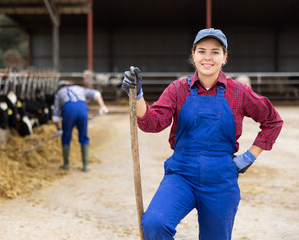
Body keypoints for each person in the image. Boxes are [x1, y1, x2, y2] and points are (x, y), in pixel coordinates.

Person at [121, 28, 283, 240]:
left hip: (221, 179)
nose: (208, 57)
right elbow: (153, 123)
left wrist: (249, 157)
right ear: (193, 55)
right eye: (201, 51)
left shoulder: (239, 91)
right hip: (182, 174)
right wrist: (138, 95)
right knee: (154, 223)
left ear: (224, 57)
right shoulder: (177, 89)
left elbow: (273, 121)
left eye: (215, 52)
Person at [52, 80, 109, 171]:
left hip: (68, 110)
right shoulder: (79, 88)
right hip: (83, 109)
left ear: (60, 87)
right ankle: (85, 166)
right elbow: (96, 93)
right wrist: (102, 106)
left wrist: (58, 129)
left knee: (66, 136)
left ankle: (66, 165)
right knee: (83, 135)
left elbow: (55, 114)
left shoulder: (59, 93)